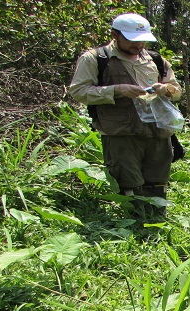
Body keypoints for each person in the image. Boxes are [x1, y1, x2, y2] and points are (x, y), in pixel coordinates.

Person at [68, 13, 182, 217]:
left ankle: (157, 223)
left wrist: (165, 89)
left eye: (142, 41)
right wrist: (117, 90)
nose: (138, 46)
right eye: (132, 40)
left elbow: (177, 91)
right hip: (121, 131)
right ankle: (135, 225)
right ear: (115, 34)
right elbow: (78, 91)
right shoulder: (96, 58)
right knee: (129, 182)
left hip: (157, 130)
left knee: (158, 180)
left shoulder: (155, 59)